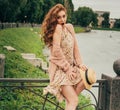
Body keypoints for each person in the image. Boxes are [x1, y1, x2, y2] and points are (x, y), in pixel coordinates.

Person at [42, 4, 87, 110]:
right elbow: (56, 51)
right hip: (61, 71)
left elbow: (75, 48)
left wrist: (80, 63)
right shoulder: (57, 28)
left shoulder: (69, 27)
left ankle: (69, 102)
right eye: (58, 17)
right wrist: (67, 69)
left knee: (87, 78)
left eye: (64, 16)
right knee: (74, 100)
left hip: (72, 68)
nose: (62, 19)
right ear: (54, 19)